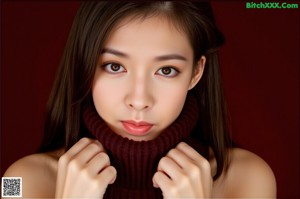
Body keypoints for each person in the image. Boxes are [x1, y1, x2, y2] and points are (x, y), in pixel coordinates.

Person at [3, 2, 276, 198]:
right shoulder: (16, 180)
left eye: (166, 70)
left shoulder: (251, 177)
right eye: (114, 66)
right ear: (84, 64)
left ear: (195, 73)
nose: (139, 100)